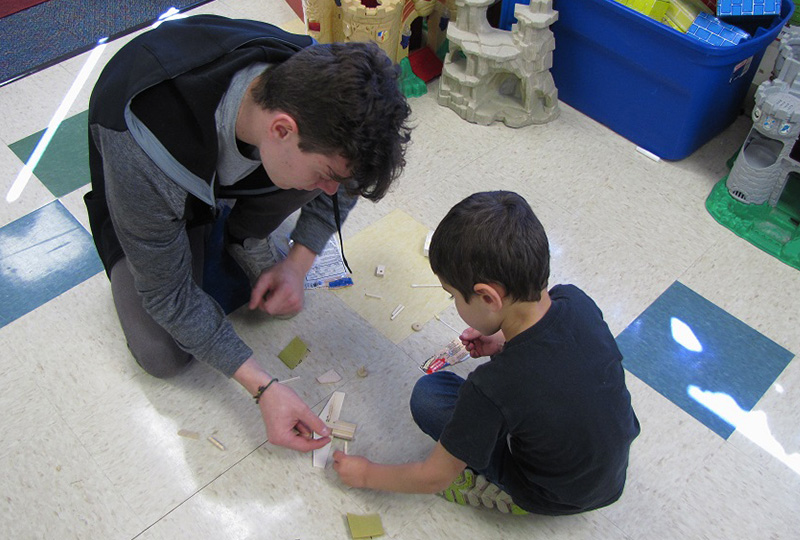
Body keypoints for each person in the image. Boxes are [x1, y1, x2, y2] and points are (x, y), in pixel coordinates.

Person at [83, 14, 412, 452]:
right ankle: (214, 222)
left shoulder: (318, 88)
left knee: (310, 180)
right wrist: (263, 387)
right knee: (161, 352)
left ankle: (241, 231)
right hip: (151, 175)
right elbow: (168, 296)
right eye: (327, 174)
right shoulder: (145, 143)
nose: (332, 192)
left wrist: (299, 262)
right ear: (281, 130)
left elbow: (346, 181)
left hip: (236, 160)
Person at [333, 191, 640, 515]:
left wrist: (366, 474)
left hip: (550, 494)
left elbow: (434, 477)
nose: (454, 304)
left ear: (488, 298)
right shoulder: (575, 300)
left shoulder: (493, 385)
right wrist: (503, 345)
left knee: (429, 395)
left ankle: (512, 497)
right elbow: (563, 362)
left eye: (453, 297)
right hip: (609, 476)